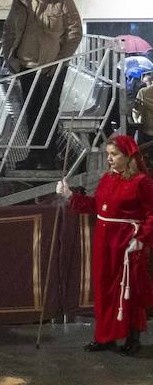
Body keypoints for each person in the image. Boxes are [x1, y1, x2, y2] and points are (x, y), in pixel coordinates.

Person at [59, 136, 153, 356]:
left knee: (128, 288)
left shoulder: (141, 182)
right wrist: (70, 196)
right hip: (104, 240)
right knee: (104, 288)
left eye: (114, 154)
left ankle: (132, 338)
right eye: (108, 154)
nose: (109, 159)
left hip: (127, 241)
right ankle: (106, 337)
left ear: (128, 157)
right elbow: (96, 206)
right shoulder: (107, 179)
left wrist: (141, 239)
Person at [3, 0, 83, 170]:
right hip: (26, 66)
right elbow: (9, 33)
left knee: (48, 111)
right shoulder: (20, 4)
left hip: (52, 66)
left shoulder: (63, 2)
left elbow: (74, 34)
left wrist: (60, 61)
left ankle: (48, 156)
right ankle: (33, 154)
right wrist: (10, 59)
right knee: (30, 111)